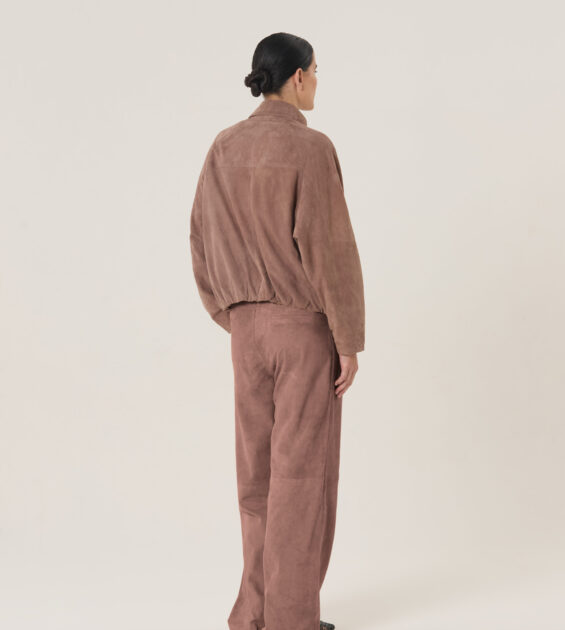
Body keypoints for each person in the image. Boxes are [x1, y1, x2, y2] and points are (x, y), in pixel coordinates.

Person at [189, 32, 365, 630]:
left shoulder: (223, 146)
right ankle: (292, 619)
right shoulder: (311, 148)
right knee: (300, 477)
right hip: (301, 331)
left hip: (246, 335)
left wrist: (233, 315)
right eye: (315, 71)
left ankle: (254, 614)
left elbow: (200, 238)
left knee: (256, 478)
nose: (317, 81)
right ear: (297, 77)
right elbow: (330, 249)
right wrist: (348, 338)